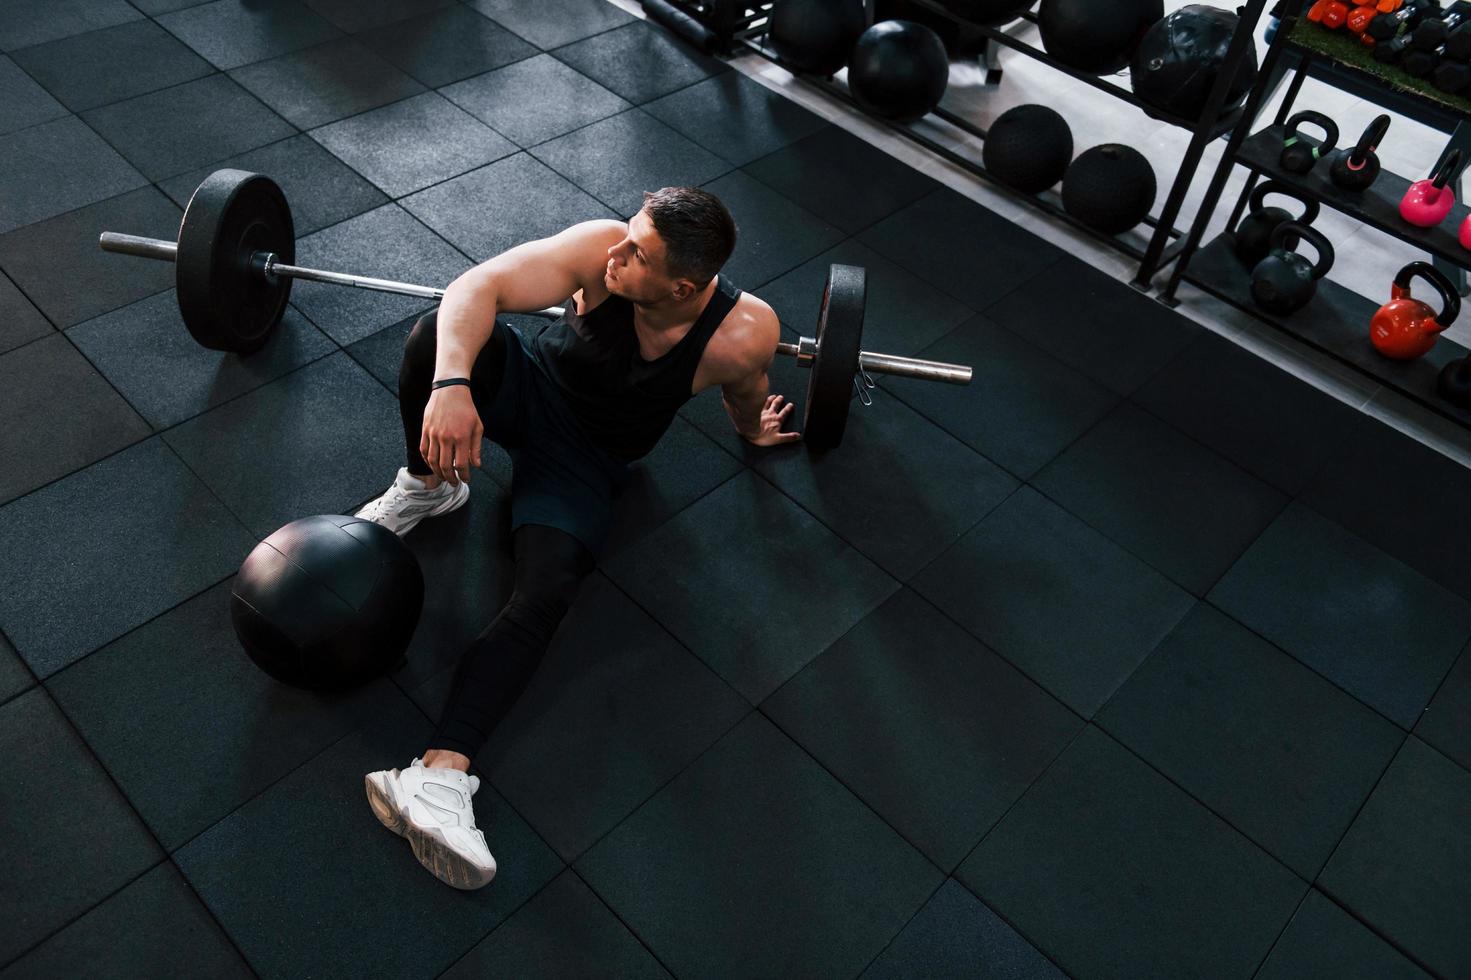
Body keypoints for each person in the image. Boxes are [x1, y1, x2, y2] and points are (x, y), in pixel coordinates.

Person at [359, 187, 798, 889]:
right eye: (624, 237)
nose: (615, 254)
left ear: (680, 286)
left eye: (637, 254)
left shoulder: (742, 332)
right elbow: (480, 284)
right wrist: (450, 384)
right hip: (530, 388)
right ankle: (429, 486)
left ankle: (437, 777)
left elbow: (744, 390)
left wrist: (753, 431)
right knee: (430, 340)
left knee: (547, 589)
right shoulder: (600, 251)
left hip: (586, 462)